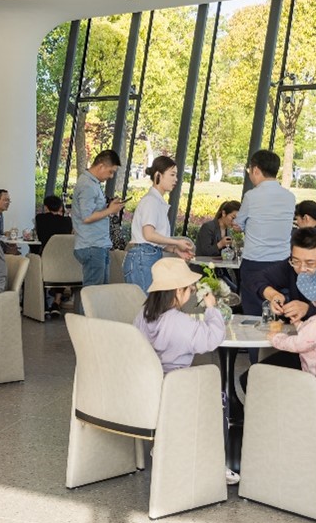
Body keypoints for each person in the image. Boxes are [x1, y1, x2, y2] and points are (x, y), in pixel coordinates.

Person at [132, 257, 239, 486]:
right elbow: (212, 338)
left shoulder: (142, 314)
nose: (191, 291)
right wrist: (211, 308)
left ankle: (164, 445)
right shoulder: (179, 322)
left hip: (148, 387)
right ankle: (215, 462)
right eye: (189, 288)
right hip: (176, 389)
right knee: (219, 397)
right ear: (177, 291)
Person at [237, 227, 316, 394]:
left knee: (254, 380)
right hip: (303, 349)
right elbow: (255, 278)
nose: (301, 269)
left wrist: (309, 309)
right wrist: (272, 294)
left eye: (310, 263)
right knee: (252, 378)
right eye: (296, 261)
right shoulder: (293, 267)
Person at [234, 150, 295, 317]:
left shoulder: (251, 196)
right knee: (278, 310)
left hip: (255, 262)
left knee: (253, 313)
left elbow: (238, 223)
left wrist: (243, 226)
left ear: (255, 170)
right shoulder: (290, 197)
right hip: (282, 263)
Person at [123, 156, 194, 292]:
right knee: (145, 303)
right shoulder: (151, 201)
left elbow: (153, 239)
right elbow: (149, 235)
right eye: (172, 175)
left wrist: (175, 249)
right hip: (143, 258)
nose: (176, 179)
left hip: (146, 256)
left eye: (176, 175)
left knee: (148, 303)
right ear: (158, 175)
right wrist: (176, 242)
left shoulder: (156, 201)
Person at [71, 150, 125, 287]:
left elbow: (92, 211)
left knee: (100, 292)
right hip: (92, 245)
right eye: (110, 172)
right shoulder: (87, 185)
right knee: (93, 292)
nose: (111, 176)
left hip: (97, 244)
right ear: (101, 166)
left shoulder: (92, 184)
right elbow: (87, 217)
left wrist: (109, 207)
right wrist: (110, 210)